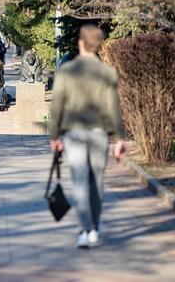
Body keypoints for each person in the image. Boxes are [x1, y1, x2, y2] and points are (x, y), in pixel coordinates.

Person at [49, 25, 126, 249]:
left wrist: (54, 135)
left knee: (80, 182)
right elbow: (114, 107)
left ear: (81, 42)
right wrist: (120, 137)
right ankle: (95, 223)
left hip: (74, 134)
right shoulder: (106, 72)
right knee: (97, 182)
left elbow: (57, 106)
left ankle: (87, 229)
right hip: (98, 134)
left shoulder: (67, 71)